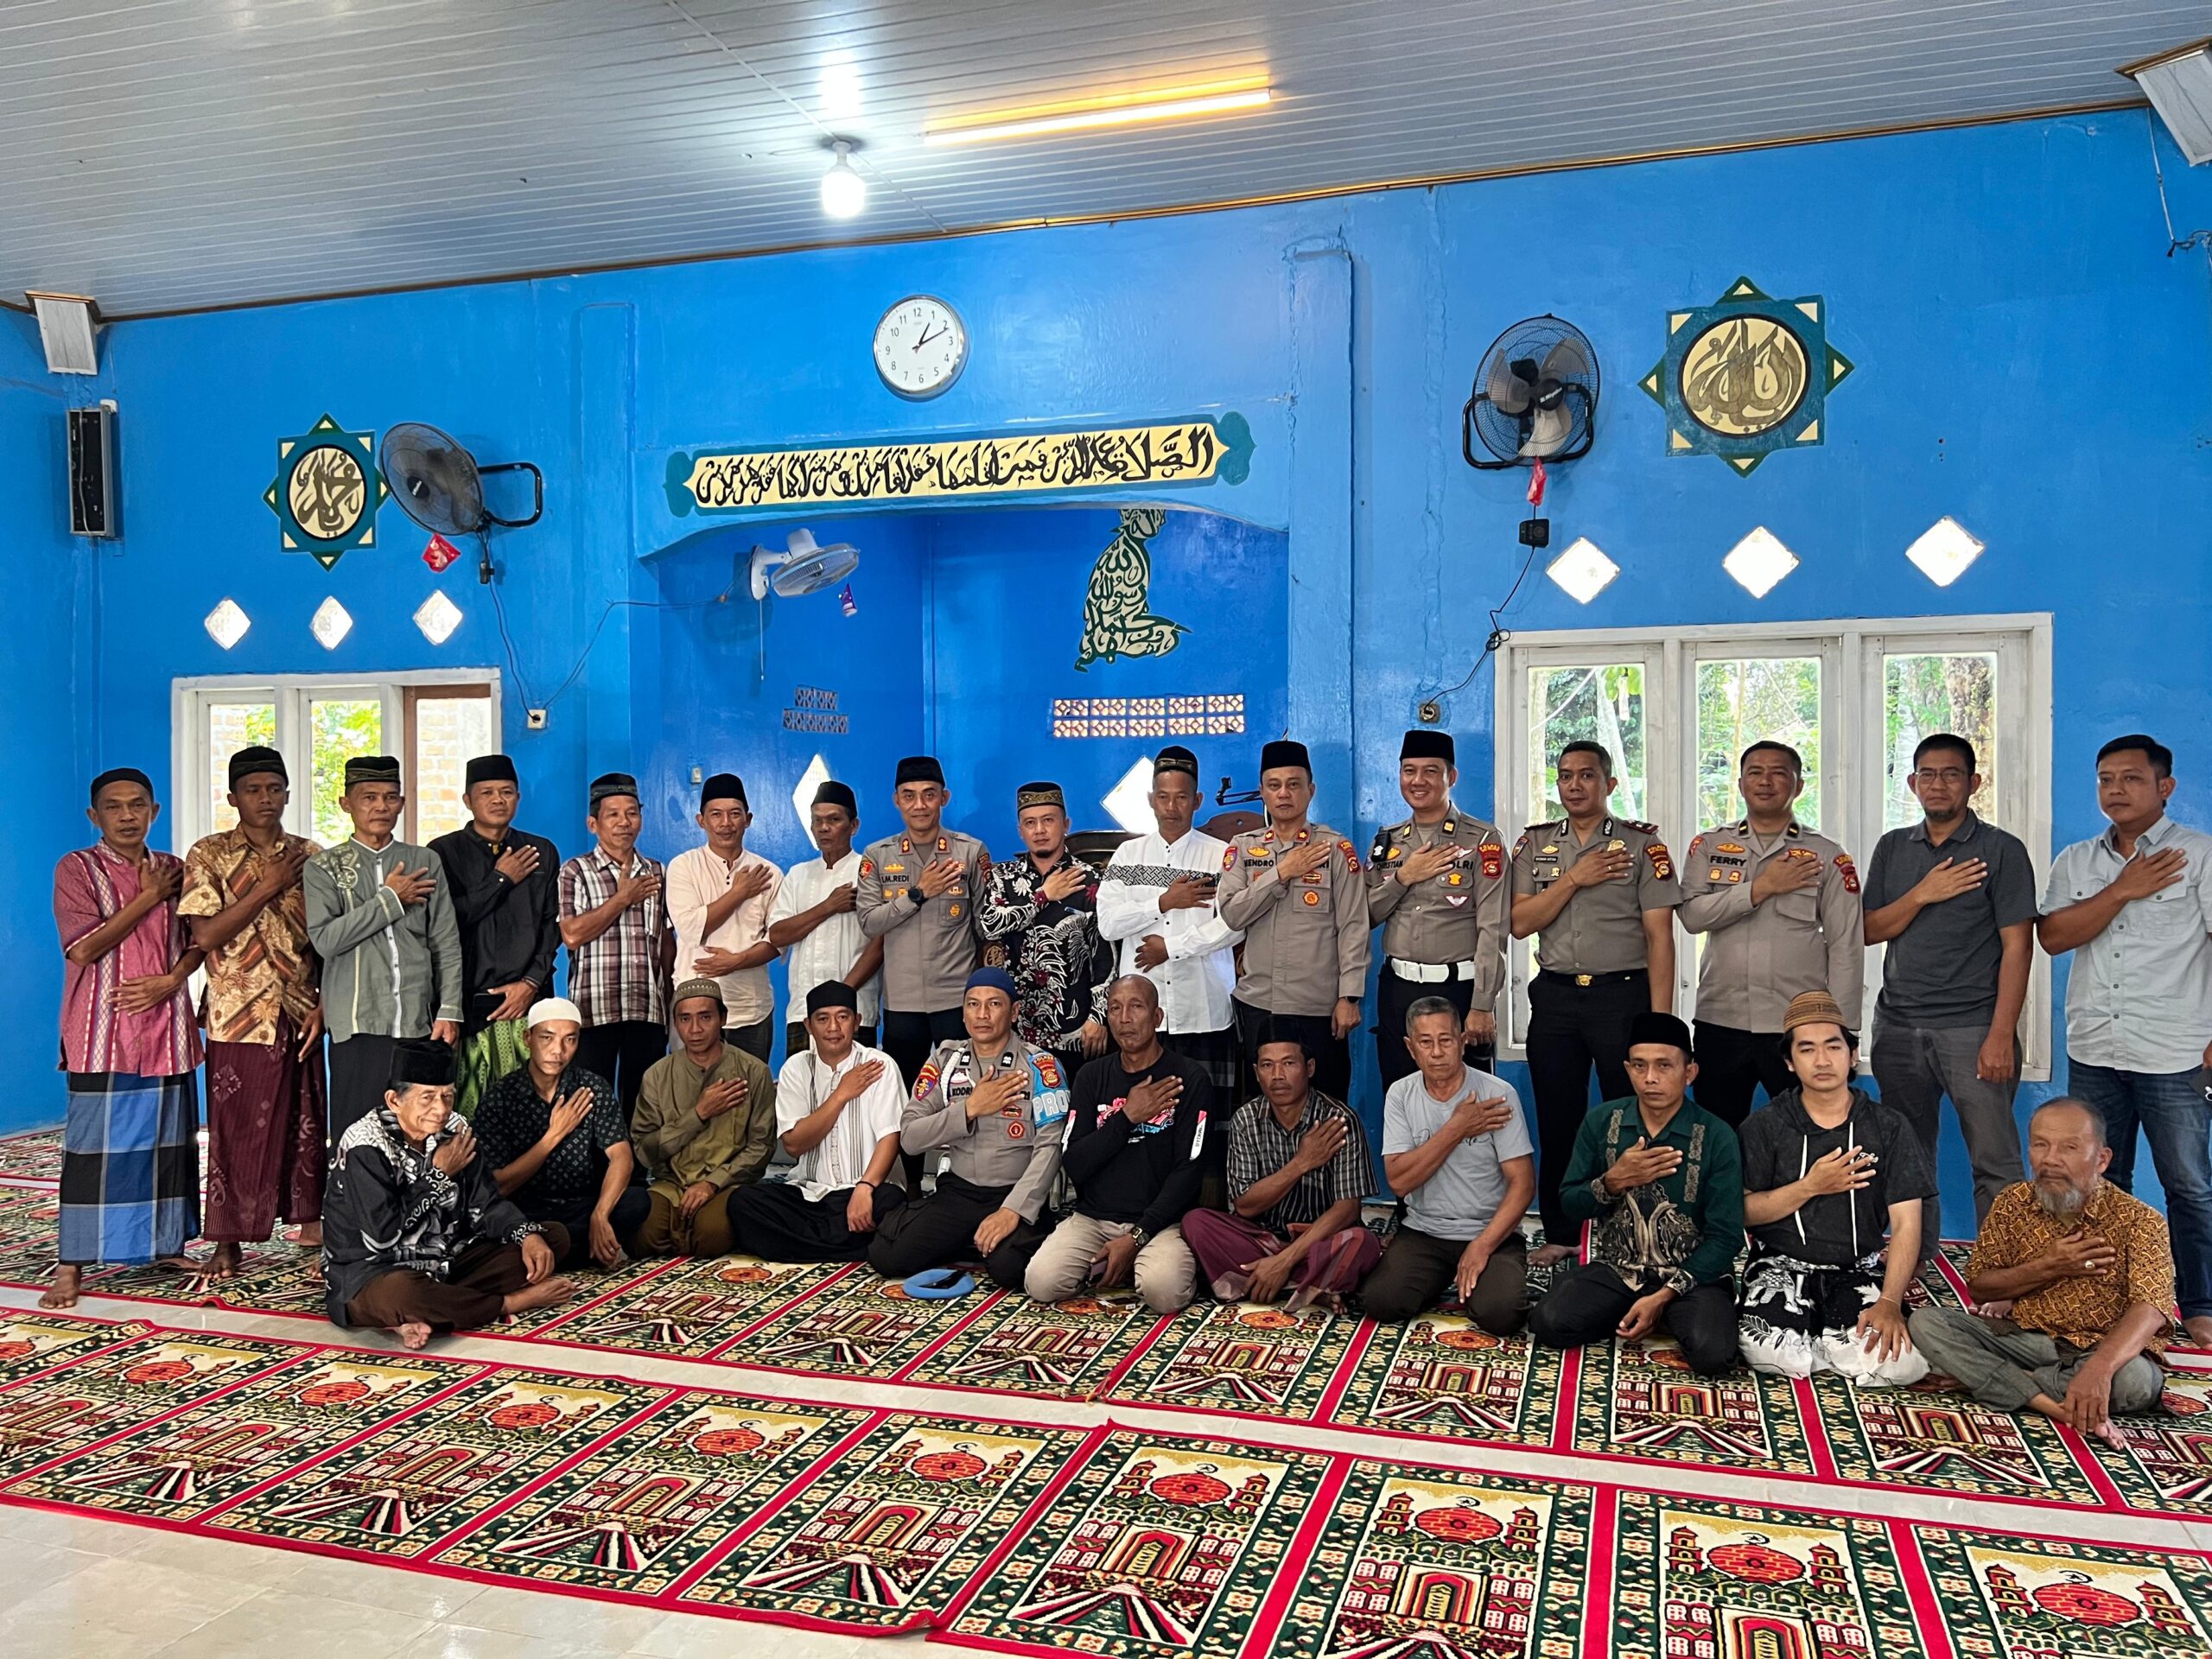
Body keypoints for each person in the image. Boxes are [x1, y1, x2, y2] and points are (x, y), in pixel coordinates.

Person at [2039, 734, 2212, 1344]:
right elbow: (2053, 937)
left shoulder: (2199, 855)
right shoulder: (2076, 861)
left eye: (2132, 778)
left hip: (2175, 1051)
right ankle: (2109, 1296)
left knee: (2188, 1184)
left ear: (2165, 787)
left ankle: (2200, 1303)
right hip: (2094, 1046)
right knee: (2102, 1183)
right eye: (2106, 779)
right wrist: (2121, 890)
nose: (2116, 790)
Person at [1909, 1100, 2173, 1446]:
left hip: (2100, 1348)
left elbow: (2151, 1308)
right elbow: (1980, 1287)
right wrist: (2049, 1265)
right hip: (2027, 1339)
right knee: (1926, 1323)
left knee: (2136, 1382)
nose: (2051, 1159)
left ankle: (1997, 1379)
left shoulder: (2140, 1220)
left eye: (2069, 1148)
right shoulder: (2013, 1201)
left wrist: (2099, 1369)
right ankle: (2048, 1400)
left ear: (2101, 1159)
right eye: (2040, 1145)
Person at [1862, 733, 2037, 1252]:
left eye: (1952, 774)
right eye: (1928, 775)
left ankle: (2003, 1273)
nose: (1938, 784)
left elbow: (2018, 948)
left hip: (1973, 1028)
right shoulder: (1893, 847)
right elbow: (1868, 929)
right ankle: (1915, 1259)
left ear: (1973, 783)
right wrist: (1923, 893)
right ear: (1912, 783)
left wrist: (2001, 1035)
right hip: (1897, 1028)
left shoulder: (2001, 850)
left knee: (1995, 1161)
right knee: (1908, 1159)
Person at [1510, 741, 1683, 1267]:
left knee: (1631, 1119)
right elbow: (1519, 923)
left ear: (1608, 783)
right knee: (1558, 1118)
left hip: (1622, 998)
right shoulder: (1535, 845)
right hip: (1557, 997)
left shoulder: (1641, 845)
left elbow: (1660, 938)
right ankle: (1562, 1231)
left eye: (1586, 775)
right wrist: (1574, 878)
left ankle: (1635, 1231)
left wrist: (1659, 1024)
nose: (1574, 785)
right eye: (1565, 776)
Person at [45, 767, 206, 1310]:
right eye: (114, 807)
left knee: (167, 1144)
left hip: (167, 1027)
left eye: (137, 805)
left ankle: (165, 1245)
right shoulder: (76, 869)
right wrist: (147, 898)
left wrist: (173, 978)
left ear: (154, 812)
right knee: (93, 1150)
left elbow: (199, 940)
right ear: (95, 816)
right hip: (102, 1029)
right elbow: (83, 948)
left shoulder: (175, 869)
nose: (127, 815)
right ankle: (72, 1262)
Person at [321, 1037, 575, 1347]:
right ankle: (505, 1303)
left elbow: (485, 1204)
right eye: (427, 1098)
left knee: (551, 1238)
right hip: (374, 1272)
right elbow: (381, 1236)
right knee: (403, 1293)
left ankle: (428, 1309)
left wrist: (526, 1235)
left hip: (444, 1262)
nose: (440, 1109)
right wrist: (438, 1175)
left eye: (448, 1096)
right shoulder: (365, 1145)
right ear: (394, 1101)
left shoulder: (455, 1130)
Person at [1527, 1014, 1743, 1375]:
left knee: (1713, 1354)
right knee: (1548, 1322)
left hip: (1691, 1277)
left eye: (1664, 1066)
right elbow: (1570, 1204)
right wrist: (1612, 1181)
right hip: (1618, 1270)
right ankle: (1648, 1313)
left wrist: (1664, 1295)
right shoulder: (1601, 1122)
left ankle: (1661, 1310)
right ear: (1627, 1070)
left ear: (1690, 1072)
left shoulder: (1717, 1135)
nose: (1650, 1078)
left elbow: (1727, 1236)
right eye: (1639, 1066)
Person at [180, 746, 326, 1277]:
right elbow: (205, 935)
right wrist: (266, 887)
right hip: (238, 1012)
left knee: (305, 1124)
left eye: (274, 789)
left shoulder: (311, 855)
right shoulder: (209, 855)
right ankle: (228, 1239)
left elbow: (327, 941)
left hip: (300, 1008)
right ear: (232, 797)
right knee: (235, 1129)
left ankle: (311, 1223)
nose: (265, 799)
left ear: (287, 793)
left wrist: (325, 1003)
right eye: (253, 790)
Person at [1737, 991, 1932, 1385]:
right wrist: (1811, 1186)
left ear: (1853, 1054)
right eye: (1807, 1050)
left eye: (1833, 1046)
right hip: (1781, 1268)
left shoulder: (1889, 1127)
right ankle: (1829, 1344)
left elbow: (1907, 1223)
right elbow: (1743, 1212)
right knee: (1768, 1351)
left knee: (1904, 1366)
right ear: (1789, 1062)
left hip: (1857, 1268)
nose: (1822, 1060)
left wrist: (1890, 1302)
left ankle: (1823, 1341)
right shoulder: (1765, 1125)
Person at [1678, 741, 1864, 1129]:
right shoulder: (1709, 846)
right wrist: (1760, 888)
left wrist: (1843, 1031)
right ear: (1741, 784)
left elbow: (1846, 945)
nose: (1766, 781)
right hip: (1721, 1019)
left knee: (1808, 1131)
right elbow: (1692, 917)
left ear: (1798, 786)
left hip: (1798, 1024)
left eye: (1779, 773)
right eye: (1755, 772)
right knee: (1717, 1135)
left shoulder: (1825, 854)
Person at [867, 967, 1068, 1288]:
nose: (982, 1014)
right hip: (959, 1193)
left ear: (1014, 1012)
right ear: (963, 1013)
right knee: (887, 1256)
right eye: (973, 1004)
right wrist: (969, 1109)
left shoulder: (1040, 1067)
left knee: (1008, 1270)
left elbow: (1050, 1149)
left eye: (994, 1004)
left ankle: (992, 1237)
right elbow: (910, 1138)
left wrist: (1012, 1211)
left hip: (1014, 1190)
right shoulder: (945, 1061)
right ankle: (969, 1238)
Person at [1026, 976, 1210, 1313]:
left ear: (1157, 1017)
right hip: (1094, 1219)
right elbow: (1075, 1162)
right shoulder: (1091, 1076)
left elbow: (1189, 1171)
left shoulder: (1189, 1077)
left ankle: (1142, 1261)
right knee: (1041, 1282)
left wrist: (1138, 1235)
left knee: (1163, 1293)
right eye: (1115, 1008)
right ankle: (1118, 1264)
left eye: (1136, 1007)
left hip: (1161, 1223)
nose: (1125, 1018)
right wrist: (1126, 1118)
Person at [302, 755, 461, 1141]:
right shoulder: (323, 867)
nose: (380, 807)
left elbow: (445, 940)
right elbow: (326, 940)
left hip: (417, 1022)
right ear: (346, 804)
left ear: (402, 803)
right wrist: (390, 899)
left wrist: (449, 1009)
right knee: (356, 1133)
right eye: (369, 797)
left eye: (390, 797)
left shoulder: (425, 861)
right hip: (357, 1024)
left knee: (418, 1132)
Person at [1362, 997, 1535, 1331]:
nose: (1437, 1052)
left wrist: (1482, 1246)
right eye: (1426, 1043)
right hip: (1425, 1231)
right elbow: (1399, 1182)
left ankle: (1480, 1274)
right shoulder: (1400, 1094)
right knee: (1381, 1301)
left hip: (1490, 1231)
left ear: (1463, 1042)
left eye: (1446, 1040)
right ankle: (1440, 1276)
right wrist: (1457, 1128)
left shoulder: (1497, 1094)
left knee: (1501, 1315)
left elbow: (1524, 1184)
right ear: (1411, 1048)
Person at [1216, 739, 1370, 1104]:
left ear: (1310, 790)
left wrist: (1349, 996)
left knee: (1327, 1107)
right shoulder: (1242, 847)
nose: (1284, 793)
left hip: (1318, 1006)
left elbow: (1354, 925)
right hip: (1259, 1003)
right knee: (1262, 1108)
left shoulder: (1335, 849)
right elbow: (1232, 914)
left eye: (1293, 784)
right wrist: (1282, 872)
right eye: (1274, 785)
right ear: (1263, 792)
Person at [1181, 1029, 1381, 1309]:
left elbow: (1347, 1210)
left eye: (1288, 1063)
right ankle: (1309, 1286)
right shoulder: (1245, 1120)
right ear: (1256, 1072)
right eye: (1267, 1065)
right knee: (1196, 1222)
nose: (1277, 1075)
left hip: (1319, 1240)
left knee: (1363, 1242)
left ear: (1309, 1068)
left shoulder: (1338, 1120)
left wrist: (1285, 1261)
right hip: (1263, 1239)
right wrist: (1301, 1163)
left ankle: (1269, 1280)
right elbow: (1245, 1206)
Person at [1095, 745, 1243, 1113]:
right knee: (1147, 1123)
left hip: (1204, 1009)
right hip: (1144, 1018)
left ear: (1198, 800)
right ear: (1151, 800)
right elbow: (1108, 924)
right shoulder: (1127, 856)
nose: (1171, 807)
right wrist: (1163, 902)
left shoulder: (1221, 855)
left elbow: (1234, 925)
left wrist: (1172, 947)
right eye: (1163, 797)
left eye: (1181, 797)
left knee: (1208, 1121)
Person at [1366, 729, 1510, 1097]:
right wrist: (1403, 877)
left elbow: (1493, 928)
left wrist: (1482, 1005)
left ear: (1452, 777)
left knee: (1469, 1101)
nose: (1418, 781)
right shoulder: (1387, 842)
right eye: (1409, 771)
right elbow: (1364, 916)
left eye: (1431, 771)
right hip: (1398, 990)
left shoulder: (1482, 840)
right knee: (1400, 1095)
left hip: (1460, 992)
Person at [728, 982, 909, 1262]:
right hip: (810, 1194)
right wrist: (840, 1095)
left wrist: (865, 1187)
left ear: (857, 1022)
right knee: (742, 1202)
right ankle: (862, 1247)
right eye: (823, 1019)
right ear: (809, 1026)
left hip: (867, 1191)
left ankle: (801, 1246)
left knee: (891, 1202)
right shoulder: (796, 1068)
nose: (833, 1028)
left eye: (842, 1017)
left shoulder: (879, 1064)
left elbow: (891, 1137)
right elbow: (793, 1145)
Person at [856, 755, 991, 1121]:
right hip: (903, 1003)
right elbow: (869, 922)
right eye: (909, 795)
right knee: (904, 1101)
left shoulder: (970, 852)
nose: (919, 805)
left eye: (929, 795)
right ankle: (909, 1163)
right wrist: (917, 894)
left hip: (957, 998)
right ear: (896, 800)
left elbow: (987, 927)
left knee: (966, 1095)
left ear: (944, 798)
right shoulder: (878, 856)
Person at [472, 997, 650, 1271]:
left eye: (570, 1040)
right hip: (527, 1210)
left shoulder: (591, 1087)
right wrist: (554, 1135)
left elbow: (622, 1157)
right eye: (547, 1038)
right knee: (497, 1222)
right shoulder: (501, 1097)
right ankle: (577, 1250)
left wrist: (600, 1214)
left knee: (637, 1202)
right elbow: (500, 1185)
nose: (558, 1050)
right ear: (528, 1038)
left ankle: (571, 1247)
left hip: (583, 1205)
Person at [429, 753, 560, 1119]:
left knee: (529, 1111)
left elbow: (551, 925)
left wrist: (531, 983)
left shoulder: (541, 851)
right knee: (466, 1110)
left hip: (527, 1001)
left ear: (518, 798)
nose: (498, 800)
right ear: (468, 800)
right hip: (468, 1004)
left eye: (506, 792)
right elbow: (447, 921)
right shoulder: (442, 853)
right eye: (486, 792)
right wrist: (500, 880)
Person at [628, 978, 777, 1256]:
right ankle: (685, 1232)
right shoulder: (657, 1076)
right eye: (685, 1019)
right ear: (675, 1023)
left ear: (723, 1018)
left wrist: (712, 1183)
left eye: (705, 1017)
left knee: (711, 1236)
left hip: (727, 1184)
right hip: (671, 1184)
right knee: (644, 1237)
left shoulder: (753, 1072)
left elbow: (761, 1146)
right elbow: (644, 1150)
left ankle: (691, 1233)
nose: (695, 1029)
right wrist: (699, 1114)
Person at [977, 780, 1114, 1083]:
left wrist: (1098, 1017)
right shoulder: (1003, 877)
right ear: (1020, 831)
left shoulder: (1088, 879)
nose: (1039, 830)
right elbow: (989, 925)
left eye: (1048, 820)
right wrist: (1043, 896)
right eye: (1030, 823)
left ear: (1066, 825)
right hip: (1016, 1030)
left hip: (1075, 1029)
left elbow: (1106, 957)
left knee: (1078, 1106)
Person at [558, 772, 675, 1117]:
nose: (624, 822)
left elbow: (666, 940)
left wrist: (669, 998)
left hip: (646, 1007)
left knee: (643, 1107)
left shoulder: (656, 872)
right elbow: (572, 934)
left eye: (632, 813)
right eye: (613, 815)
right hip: (594, 1008)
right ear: (593, 823)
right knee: (591, 1106)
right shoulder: (576, 871)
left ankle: (636, 1158)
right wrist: (622, 899)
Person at [668, 772, 780, 1062]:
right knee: (691, 1089)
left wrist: (737, 961)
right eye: (716, 814)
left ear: (748, 819)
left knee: (750, 1088)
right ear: (701, 821)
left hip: (751, 1007)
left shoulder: (769, 872)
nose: (726, 823)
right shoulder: (683, 867)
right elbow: (691, 929)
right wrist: (739, 892)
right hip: (694, 1007)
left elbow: (778, 940)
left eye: (735, 814)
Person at [768, 780, 884, 1061]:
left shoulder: (870, 872)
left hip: (854, 1010)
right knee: (803, 1087)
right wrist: (828, 906)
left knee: (856, 1086)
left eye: (833, 820)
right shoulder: (798, 875)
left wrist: (841, 994)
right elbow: (778, 935)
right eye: (817, 820)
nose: (823, 828)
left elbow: (881, 943)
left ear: (853, 826)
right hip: (803, 1013)